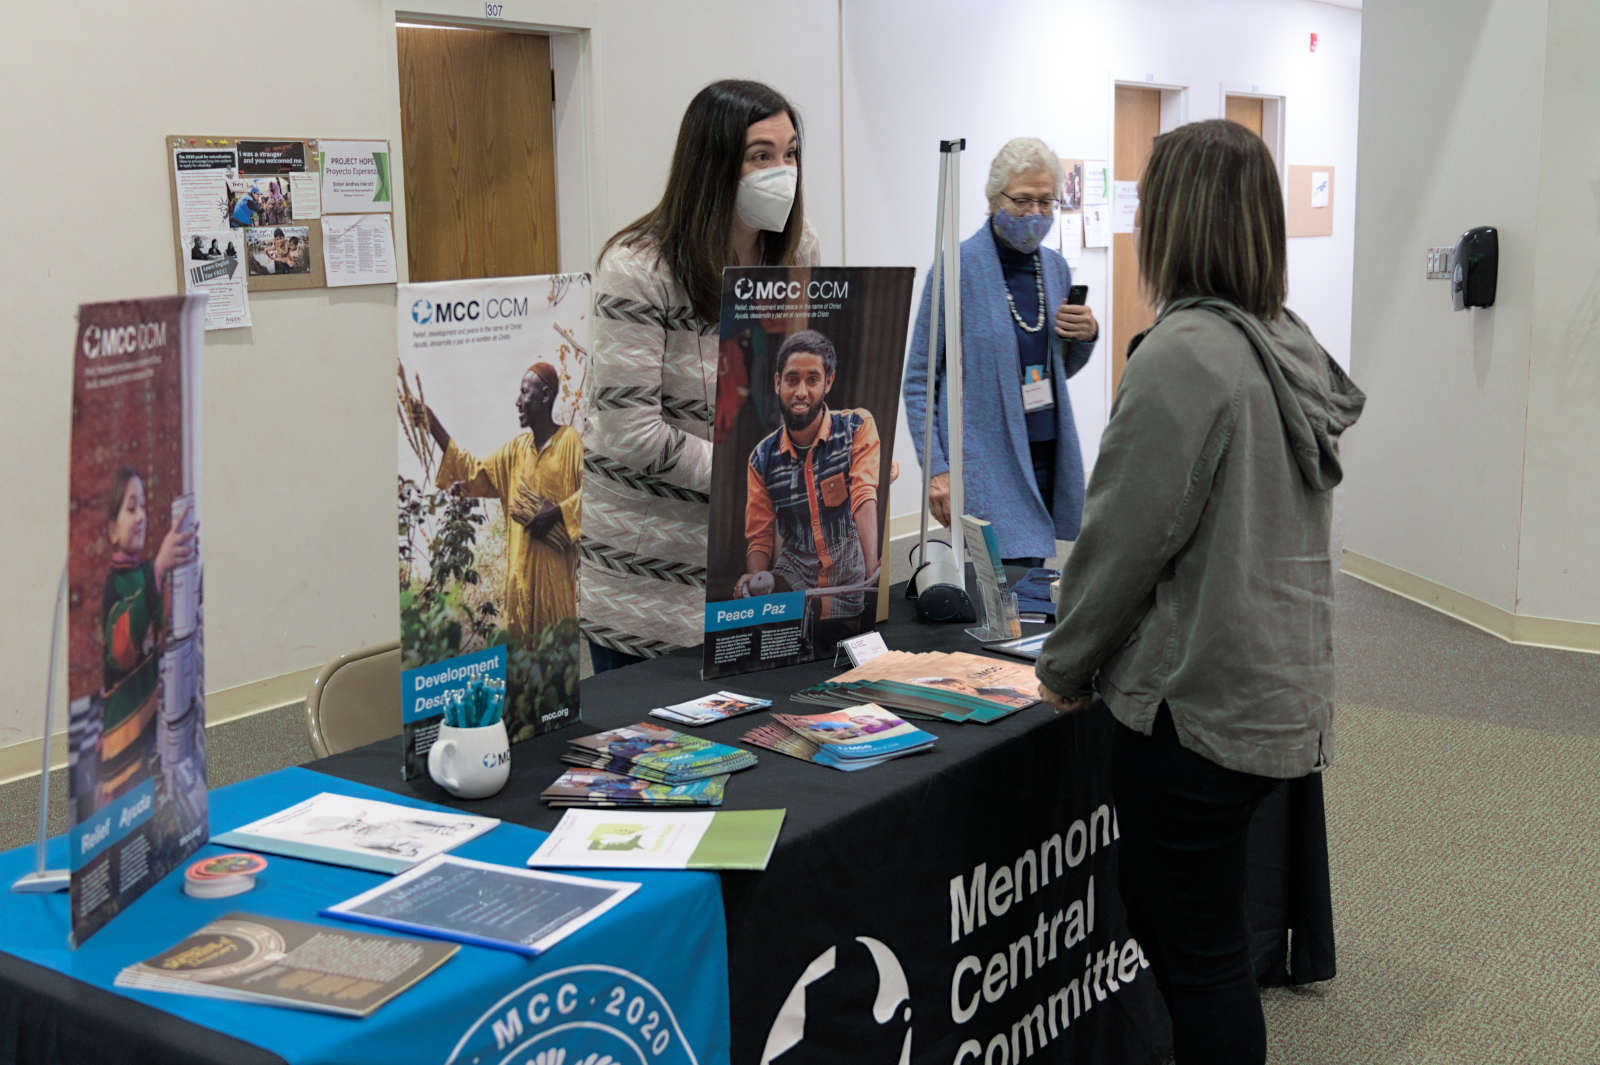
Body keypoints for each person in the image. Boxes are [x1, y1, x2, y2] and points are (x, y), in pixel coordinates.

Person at [1033, 119, 1365, 1065]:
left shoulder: (1184, 353)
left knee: (1199, 952)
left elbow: (1123, 541)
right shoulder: (1282, 340)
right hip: (1269, 690)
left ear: (1177, 221)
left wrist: (1063, 664)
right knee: (1199, 933)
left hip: (1195, 704)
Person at [580, 79, 819, 672]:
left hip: (756, 568)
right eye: (760, 156)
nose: (782, 172)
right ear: (713, 164)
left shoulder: (796, 253)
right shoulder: (638, 268)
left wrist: (832, 449)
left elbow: (799, 378)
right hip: (648, 586)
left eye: (790, 154)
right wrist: (764, 474)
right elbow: (631, 432)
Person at [903, 137, 1099, 566]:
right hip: (986, 460)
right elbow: (919, 381)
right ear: (994, 199)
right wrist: (936, 469)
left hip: (1046, 452)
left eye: (1046, 201)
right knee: (1002, 583)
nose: (1035, 214)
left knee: (1031, 579)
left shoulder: (1055, 268)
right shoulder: (957, 268)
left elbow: (1059, 368)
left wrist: (1085, 335)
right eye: (1023, 200)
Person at [736, 329, 880, 646]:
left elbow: (863, 494)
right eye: (792, 380)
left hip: (849, 585)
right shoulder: (761, 458)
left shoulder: (857, 427)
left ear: (828, 382)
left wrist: (873, 574)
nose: (801, 392)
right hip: (792, 580)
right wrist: (756, 587)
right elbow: (759, 535)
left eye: (812, 380)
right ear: (777, 383)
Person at [420, 362, 581, 644]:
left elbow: (593, 494)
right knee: (520, 661)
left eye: (524, 392)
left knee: (556, 658)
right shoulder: (515, 451)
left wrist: (555, 513)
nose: (517, 401)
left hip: (555, 586)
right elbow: (472, 470)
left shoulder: (569, 442)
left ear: (545, 396)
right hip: (520, 585)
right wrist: (432, 424)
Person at [98, 466, 195, 804]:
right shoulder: (113, 586)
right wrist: (159, 569)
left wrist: (185, 570)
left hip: (151, 732)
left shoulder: (145, 573)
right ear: (112, 530)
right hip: (123, 745)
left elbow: (165, 623)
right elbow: (123, 649)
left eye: (143, 506)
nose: (141, 516)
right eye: (131, 507)